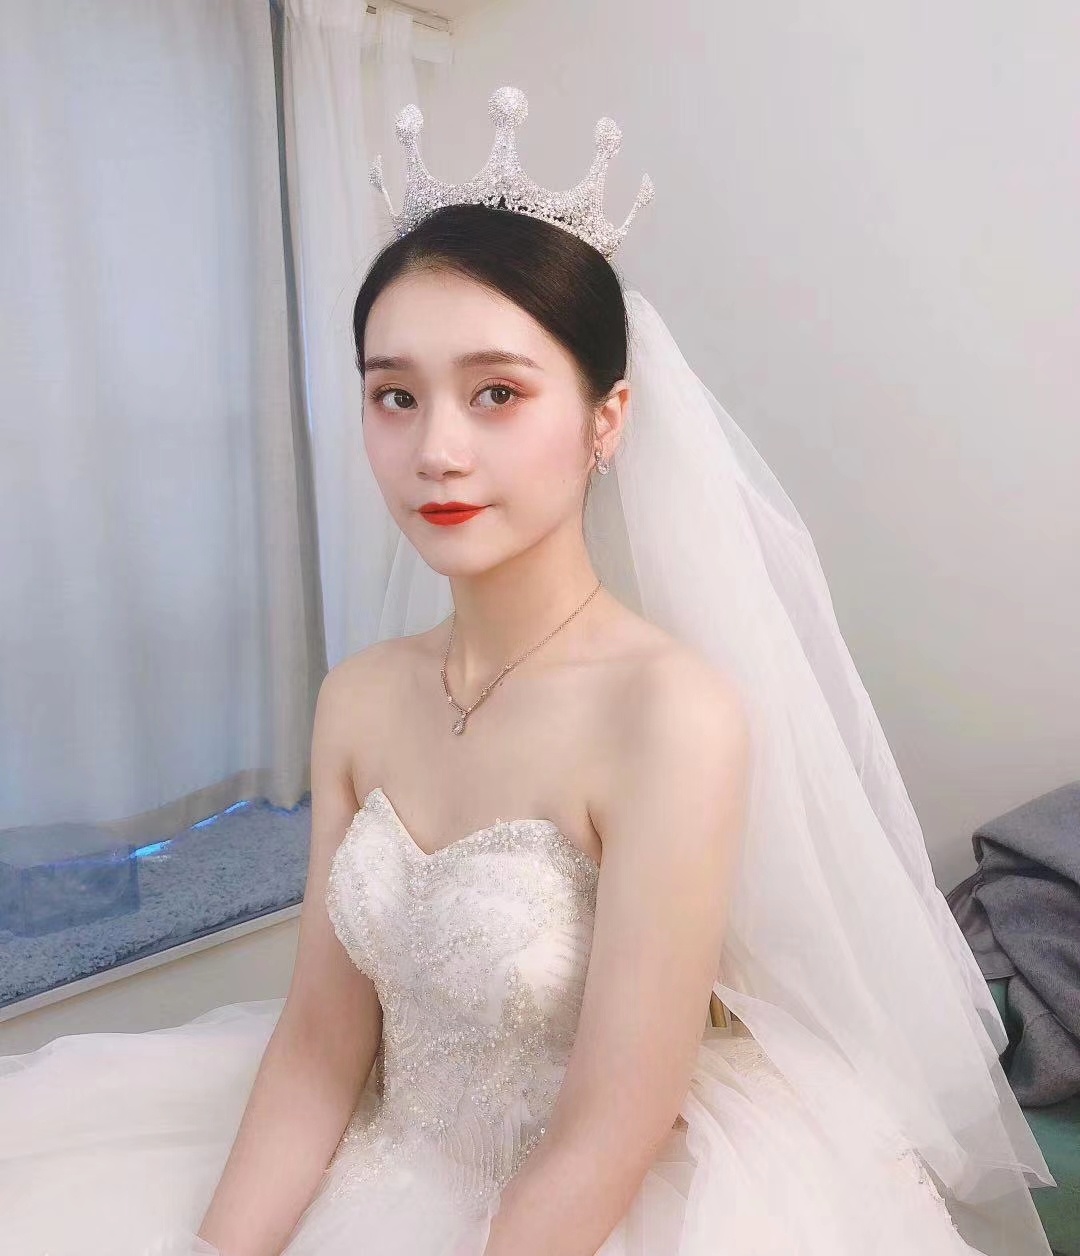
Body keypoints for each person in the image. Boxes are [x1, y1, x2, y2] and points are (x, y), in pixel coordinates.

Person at [0, 86, 1055, 1256]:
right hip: (385, 1162)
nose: (436, 448)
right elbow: (319, 1046)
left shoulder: (670, 714)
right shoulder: (358, 697)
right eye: (395, 395)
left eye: (496, 392)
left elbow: (613, 1126)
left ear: (607, 418)